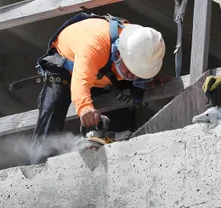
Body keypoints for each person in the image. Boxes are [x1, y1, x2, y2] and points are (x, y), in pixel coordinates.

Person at [29, 12, 166, 165]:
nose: (134, 75)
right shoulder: (95, 45)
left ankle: (119, 155)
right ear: (121, 53)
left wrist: (149, 76)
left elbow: (142, 61)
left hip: (102, 72)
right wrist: (85, 108)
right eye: (132, 70)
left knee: (122, 102)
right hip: (67, 66)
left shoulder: (142, 44)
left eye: (137, 72)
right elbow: (80, 80)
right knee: (55, 101)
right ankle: (39, 163)